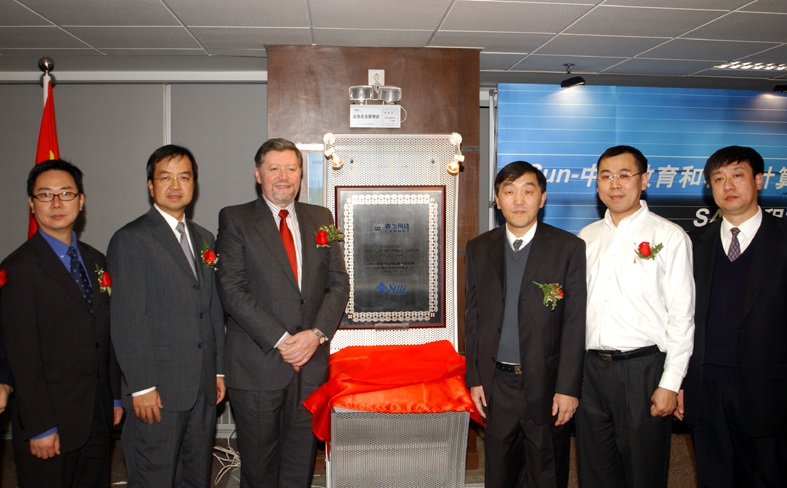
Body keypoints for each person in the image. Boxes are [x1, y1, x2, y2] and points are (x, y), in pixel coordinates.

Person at [215, 138, 349, 488]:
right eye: (274, 168)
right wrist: (283, 340)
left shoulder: (321, 218)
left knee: (299, 465)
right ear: (258, 174)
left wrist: (315, 335)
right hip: (257, 365)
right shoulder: (236, 219)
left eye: (291, 168)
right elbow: (232, 290)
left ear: (301, 175)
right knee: (260, 469)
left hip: (311, 366)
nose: (283, 177)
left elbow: (338, 284)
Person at [576, 145, 695, 488]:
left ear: (644, 180)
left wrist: (670, 382)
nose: (615, 184)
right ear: (597, 183)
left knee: (644, 472)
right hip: (590, 372)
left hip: (643, 371)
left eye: (624, 175)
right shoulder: (586, 238)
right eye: (606, 176)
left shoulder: (669, 236)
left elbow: (682, 316)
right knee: (594, 471)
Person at [107, 145, 226, 488]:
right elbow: (127, 319)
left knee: (195, 477)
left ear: (194, 185)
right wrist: (142, 385)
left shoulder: (204, 238)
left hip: (202, 388)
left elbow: (212, 308)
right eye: (165, 177)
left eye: (184, 177)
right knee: (154, 478)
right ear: (150, 185)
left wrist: (217, 370)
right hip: (157, 391)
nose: (175, 185)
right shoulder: (131, 239)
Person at [0, 159, 122, 488]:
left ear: (80, 201)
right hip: (50, 421)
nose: (56, 203)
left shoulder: (96, 260)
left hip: (97, 413)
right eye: (45, 195)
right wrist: (40, 425)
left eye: (66, 193)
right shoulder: (18, 269)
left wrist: (114, 397)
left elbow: (105, 334)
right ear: (31, 204)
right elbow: (22, 355)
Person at [464, 160, 586, 488]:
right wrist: (475, 378)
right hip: (497, 384)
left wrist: (568, 388)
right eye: (509, 192)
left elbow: (575, 324)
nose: (519, 200)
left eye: (528, 191)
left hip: (547, 385)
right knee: (500, 474)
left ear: (542, 198)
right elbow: (473, 317)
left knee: (548, 474)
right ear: (497, 199)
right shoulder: (478, 248)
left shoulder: (569, 248)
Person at [677, 146, 787, 486]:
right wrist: (679, 380)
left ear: (759, 180)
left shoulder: (783, 238)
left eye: (738, 175)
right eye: (718, 178)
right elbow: (680, 318)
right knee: (714, 478)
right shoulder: (692, 244)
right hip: (705, 389)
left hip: (770, 392)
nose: (728, 186)